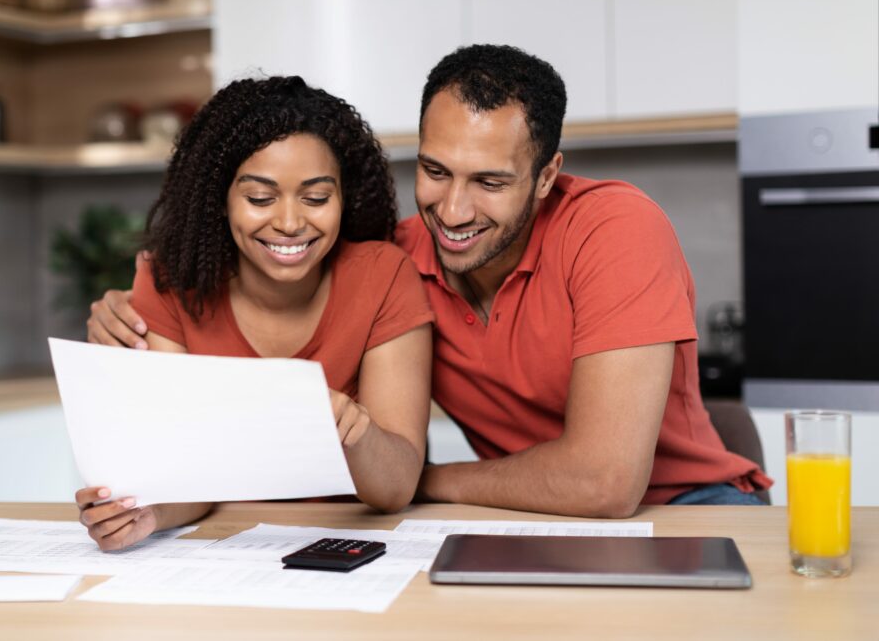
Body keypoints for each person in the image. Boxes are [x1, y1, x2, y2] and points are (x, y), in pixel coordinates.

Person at [87, 45, 772, 518]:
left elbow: (605, 481)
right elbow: (276, 271)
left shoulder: (616, 228)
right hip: (520, 515)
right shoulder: (395, 262)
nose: (453, 209)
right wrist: (132, 307)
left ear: (547, 176)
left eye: (491, 181)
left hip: (689, 507)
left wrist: (421, 478)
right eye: (437, 171)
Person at [76, 76, 434, 551]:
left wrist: (356, 429)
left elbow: (395, 489)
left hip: (347, 542)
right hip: (224, 547)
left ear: (343, 200)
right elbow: (185, 472)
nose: (289, 223)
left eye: (316, 197)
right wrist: (145, 514)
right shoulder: (170, 284)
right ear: (220, 200)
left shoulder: (384, 276)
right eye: (260, 198)